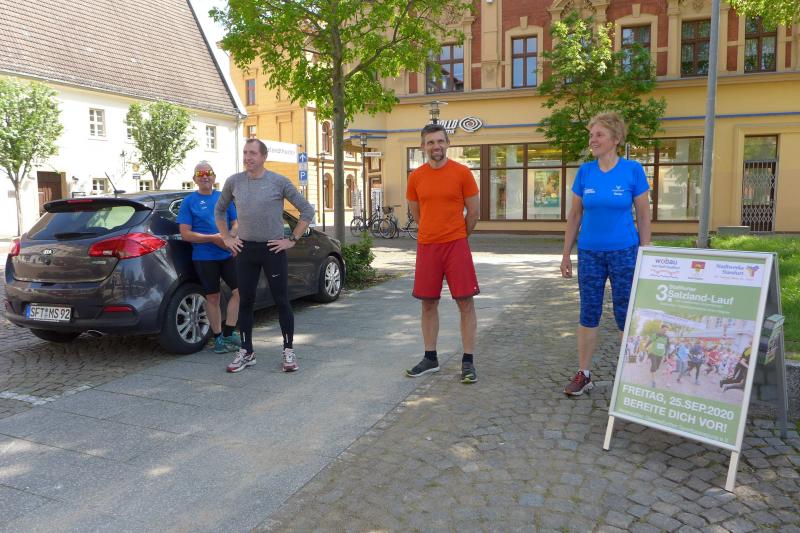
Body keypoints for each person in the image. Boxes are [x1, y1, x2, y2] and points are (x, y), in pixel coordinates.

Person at [560, 111, 652, 395]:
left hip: (624, 252)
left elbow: (643, 214)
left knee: (625, 312)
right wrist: (566, 254)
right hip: (590, 253)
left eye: (599, 134)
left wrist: (646, 251)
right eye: (591, 135)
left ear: (616, 138)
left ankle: (631, 377)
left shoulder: (632, 170)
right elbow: (575, 216)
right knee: (589, 311)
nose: (593, 139)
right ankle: (584, 373)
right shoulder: (585, 172)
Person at [215, 139, 315, 373]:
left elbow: (307, 210)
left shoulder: (278, 182)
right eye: (245, 153)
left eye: (252, 153)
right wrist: (227, 238)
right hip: (245, 250)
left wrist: (292, 239)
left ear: (263, 156)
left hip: (273, 249)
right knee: (246, 301)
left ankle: (288, 350)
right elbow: (219, 210)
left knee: (281, 300)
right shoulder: (234, 182)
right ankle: (247, 351)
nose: (247, 157)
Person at [404, 123, 480, 384]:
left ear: (448, 143)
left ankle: (468, 361)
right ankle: (430, 358)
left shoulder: (462, 173)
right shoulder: (416, 177)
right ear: (423, 146)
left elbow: (474, 212)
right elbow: (416, 212)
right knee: (428, 304)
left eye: (440, 141)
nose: (435, 146)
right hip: (428, 246)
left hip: (456, 245)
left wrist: (458, 235)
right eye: (430, 142)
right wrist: (432, 231)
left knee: (465, 303)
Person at [176, 162, 240, 353]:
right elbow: (185, 234)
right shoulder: (189, 202)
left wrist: (229, 238)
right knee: (213, 297)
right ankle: (218, 339)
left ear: (214, 177)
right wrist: (212, 238)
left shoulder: (223, 198)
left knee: (240, 292)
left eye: (209, 172)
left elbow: (236, 223)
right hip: (204, 257)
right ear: (194, 179)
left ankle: (229, 332)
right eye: (200, 173)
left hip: (227, 254)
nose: (205, 176)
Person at [645, 324, 671, 388]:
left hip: (660, 355)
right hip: (653, 353)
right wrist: (645, 347)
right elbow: (650, 341)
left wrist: (666, 355)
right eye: (664, 330)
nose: (665, 331)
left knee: (657, 368)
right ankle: (653, 381)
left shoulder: (667, 337)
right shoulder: (656, 335)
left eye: (666, 330)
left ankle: (652, 370)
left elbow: (667, 346)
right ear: (661, 329)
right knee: (654, 366)